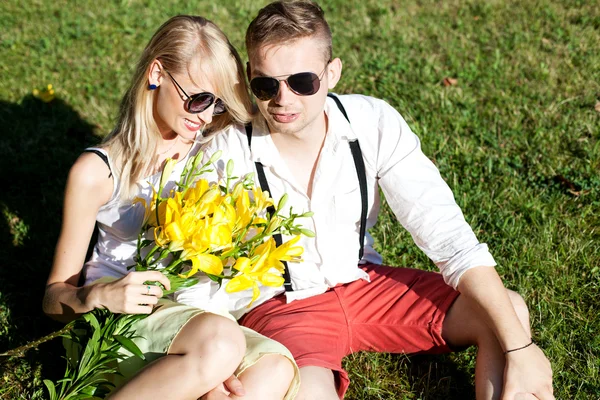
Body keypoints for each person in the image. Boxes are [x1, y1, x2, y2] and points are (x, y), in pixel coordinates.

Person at [198, 1, 555, 399]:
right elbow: (194, 263)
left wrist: (521, 348)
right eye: (266, 85)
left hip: (364, 282)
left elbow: (446, 233)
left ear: (331, 73)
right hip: (285, 306)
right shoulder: (226, 151)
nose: (283, 99)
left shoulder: (371, 123)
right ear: (250, 77)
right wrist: (209, 363)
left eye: (301, 81)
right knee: (311, 392)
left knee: (509, 313)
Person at [41, 15, 299, 400]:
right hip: (115, 324)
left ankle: (198, 371)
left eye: (217, 104)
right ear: (157, 73)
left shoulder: (213, 150)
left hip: (194, 321)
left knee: (273, 367)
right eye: (197, 99)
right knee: (222, 344)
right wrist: (97, 296)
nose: (207, 116)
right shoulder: (98, 172)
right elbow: (52, 299)